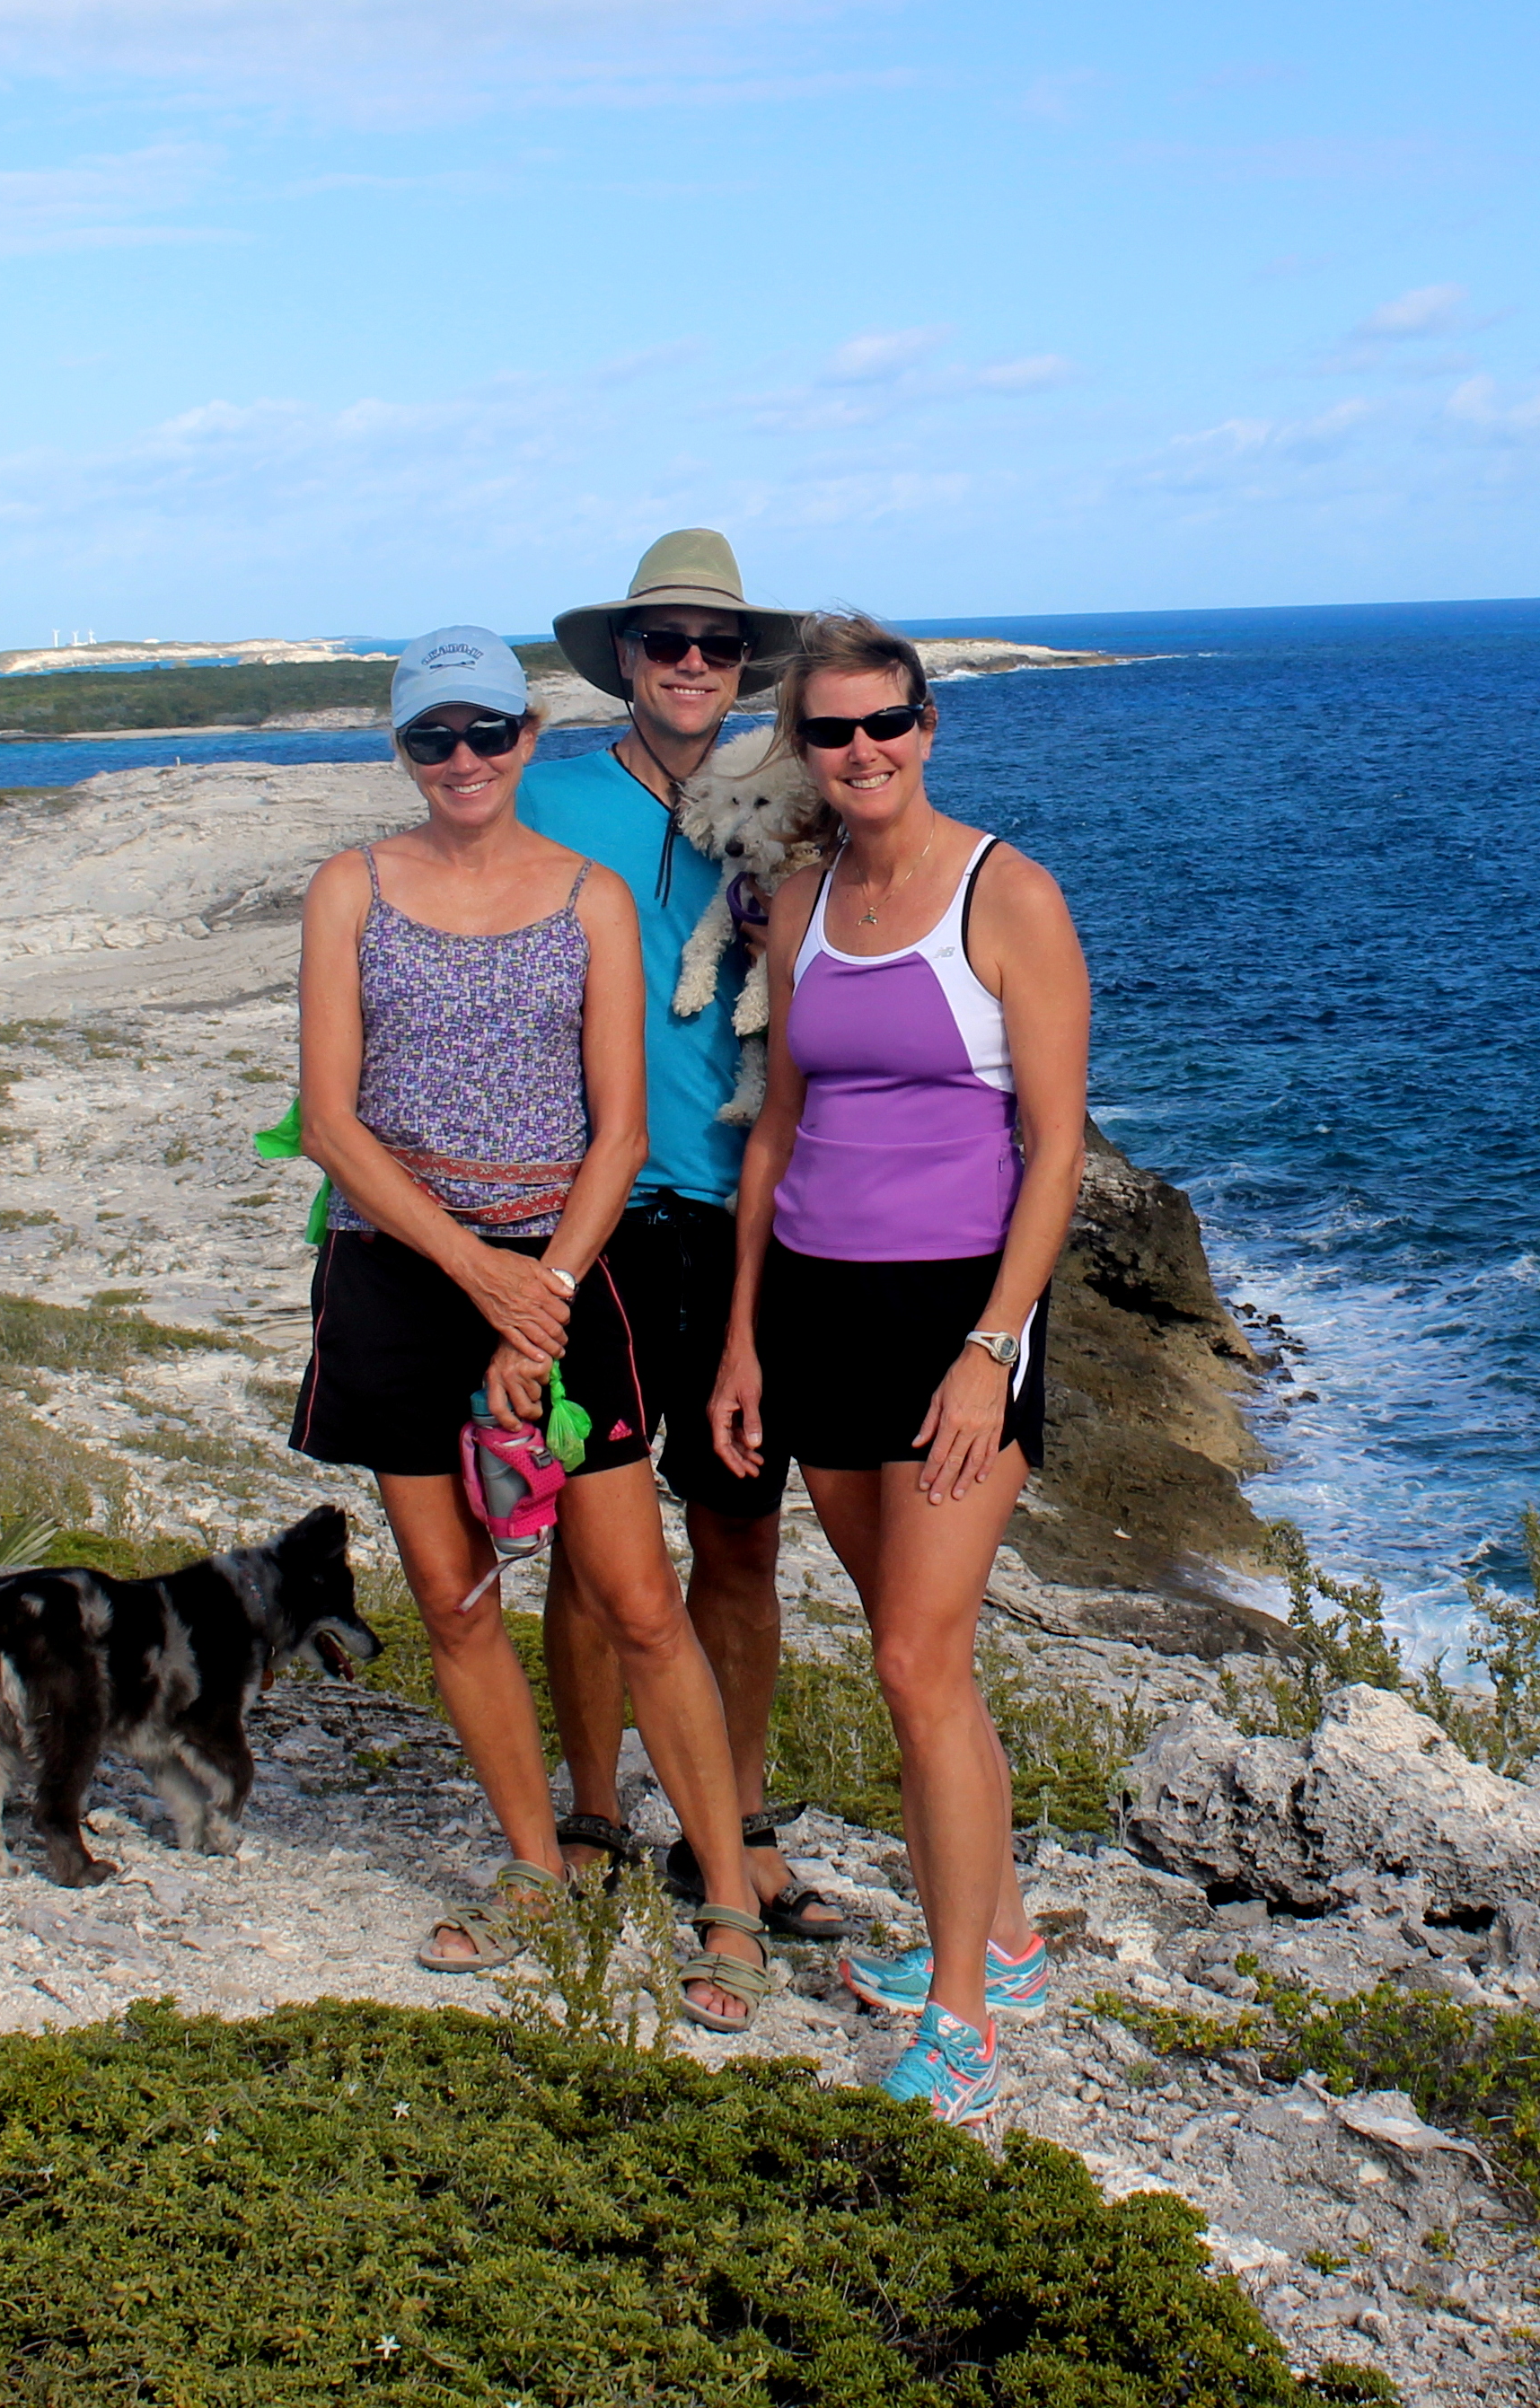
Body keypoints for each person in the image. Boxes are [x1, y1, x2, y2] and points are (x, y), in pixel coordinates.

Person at [287, 626, 770, 2031]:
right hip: (398, 1268)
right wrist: (473, 1274)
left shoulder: (586, 896)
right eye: (432, 737)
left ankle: (726, 1892)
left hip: (566, 1269)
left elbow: (620, 1130)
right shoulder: (350, 889)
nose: (462, 761)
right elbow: (332, 1117)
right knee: (450, 1594)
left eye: (487, 734)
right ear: (402, 750)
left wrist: (538, 1290)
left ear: (525, 738)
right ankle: (530, 1867)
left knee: (636, 1595)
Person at [708, 611, 1091, 2122]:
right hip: (812, 1301)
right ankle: (1003, 1937)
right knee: (915, 1646)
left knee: (915, 1658)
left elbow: (1055, 1148)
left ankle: (960, 2018)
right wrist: (743, 1334)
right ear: (800, 749)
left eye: (887, 724)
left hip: (955, 1320)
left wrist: (994, 1349)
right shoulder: (798, 900)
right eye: (831, 731)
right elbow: (781, 1131)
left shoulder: (1011, 895)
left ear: (928, 727)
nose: (862, 751)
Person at [515, 530, 850, 1941]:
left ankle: (742, 1823)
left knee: (739, 1535)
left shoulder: (800, 802)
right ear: (628, 662)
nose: (696, 665)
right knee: (593, 1545)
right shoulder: (545, 796)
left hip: (742, 1212)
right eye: (669, 643)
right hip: (586, 1210)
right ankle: (593, 1808)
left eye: (720, 645)